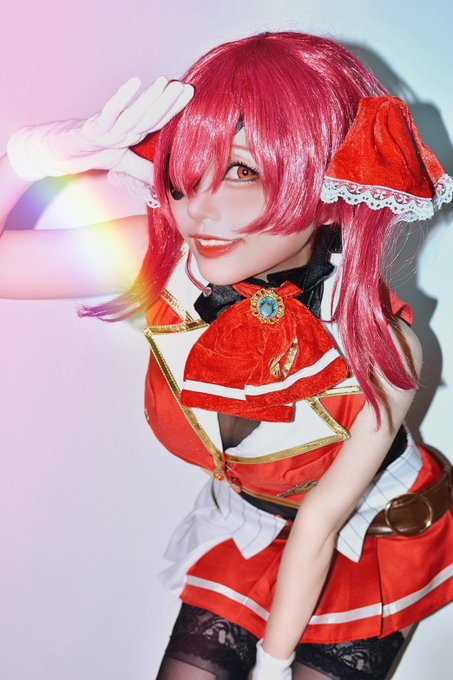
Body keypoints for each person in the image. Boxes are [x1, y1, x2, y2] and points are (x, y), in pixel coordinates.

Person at [2, 31, 453, 680]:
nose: (200, 208)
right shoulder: (162, 259)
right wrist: (36, 156)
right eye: (190, 169)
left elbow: (321, 525)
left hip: (371, 538)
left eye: (242, 171)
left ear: (329, 183)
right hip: (249, 525)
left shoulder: (380, 344)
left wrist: (273, 664)